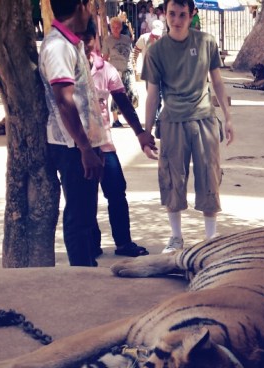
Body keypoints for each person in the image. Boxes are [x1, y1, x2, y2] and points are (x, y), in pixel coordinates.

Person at [141, 0, 234, 253]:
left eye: (183, 14)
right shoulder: (156, 51)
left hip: (204, 117)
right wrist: (146, 132)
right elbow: (152, 95)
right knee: (173, 177)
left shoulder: (206, 42)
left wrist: (228, 117)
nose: (177, 19)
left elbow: (217, 82)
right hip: (172, 120)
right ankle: (176, 237)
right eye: (172, 14)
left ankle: (211, 238)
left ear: (192, 14)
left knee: (209, 175)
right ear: (165, 14)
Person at [39, 0, 107, 266]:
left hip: (82, 145)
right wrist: (85, 148)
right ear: (81, 5)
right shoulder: (57, 47)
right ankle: (82, 274)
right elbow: (64, 101)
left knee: (86, 213)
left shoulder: (69, 43)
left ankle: (88, 266)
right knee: (78, 215)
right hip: (72, 147)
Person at [80, 19, 150, 257]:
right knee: (85, 199)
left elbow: (124, 103)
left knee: (117, 192)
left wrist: (139, 132)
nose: (84, 45)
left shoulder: (106, 70)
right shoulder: (71, 70)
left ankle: (123, 242)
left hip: (105, 145)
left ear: (96, 40)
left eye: (88, 39)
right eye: (79, 40)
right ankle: (92, 244)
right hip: (78, 147)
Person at [102, 16, 136, 128]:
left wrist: (133, 65)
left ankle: (129, 115)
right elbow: (105, 58)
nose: (115, 29)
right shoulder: (107, 41)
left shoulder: (126, 39)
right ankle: (116, 120)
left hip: (128, 69)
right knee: (116, 95)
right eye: (113, 27)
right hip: (114, 71)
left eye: (118, 27)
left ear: (121, 28)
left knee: (132, 93)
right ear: (110, 28)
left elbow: (130, 53)